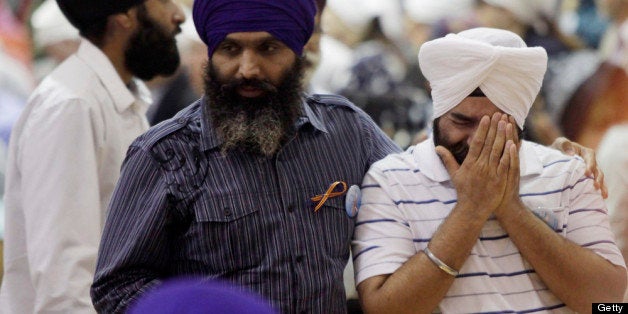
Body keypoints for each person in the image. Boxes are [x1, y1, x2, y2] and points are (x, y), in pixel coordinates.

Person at [90, 0, 401, 313]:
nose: (248, 69)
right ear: (212, 54)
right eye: (230, 49)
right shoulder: (165, 154)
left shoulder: (347, 130)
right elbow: (117, 286)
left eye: (268, 48)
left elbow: (414, 200)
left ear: (298, 52)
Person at [352, 27, 626, 313]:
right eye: (461, 122)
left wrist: (510, 207)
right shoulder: (391, 181)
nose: (475, 141)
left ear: (519, 121)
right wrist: (471, 209)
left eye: (495, 127)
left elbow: (607, 302)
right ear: (439, 110)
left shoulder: (567, 173)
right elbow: (384, 309)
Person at [0, 0, 185, 312]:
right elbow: (65, 283)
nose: (178, 15)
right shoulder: (72, 105)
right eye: (164, 2)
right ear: (125, 16)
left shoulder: (115, 99)